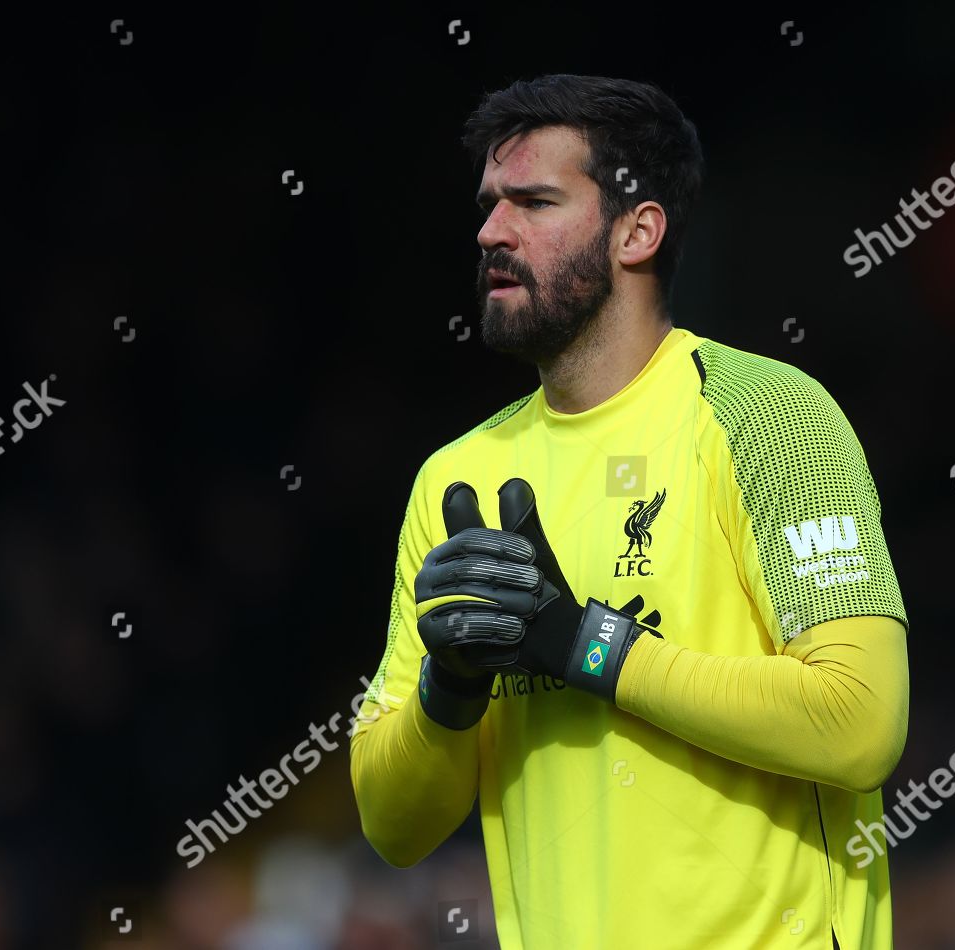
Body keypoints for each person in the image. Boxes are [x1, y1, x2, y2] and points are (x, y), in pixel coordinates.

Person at [350, 73, 910, 950]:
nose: (492, 231)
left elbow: (861, 720)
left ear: (638, 230)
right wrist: (449, 689)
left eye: (534, 201)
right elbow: (393, 826)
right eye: (491, 204)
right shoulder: (458, 477)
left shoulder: (769, 415)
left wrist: (585, 645)